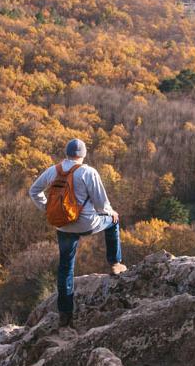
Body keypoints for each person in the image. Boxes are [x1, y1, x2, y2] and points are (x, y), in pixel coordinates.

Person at [29, 138, 126, 327]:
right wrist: (111, 213)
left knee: (65, 267)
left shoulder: (53, 171)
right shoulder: (88, 172)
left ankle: (65, 316)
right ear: (83, 155)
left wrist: (48, 208)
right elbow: (101, 203)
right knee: (113, 222)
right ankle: (115, 263)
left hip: (63, 224)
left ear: (66, 153)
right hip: (86, 223)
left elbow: (34, 191)